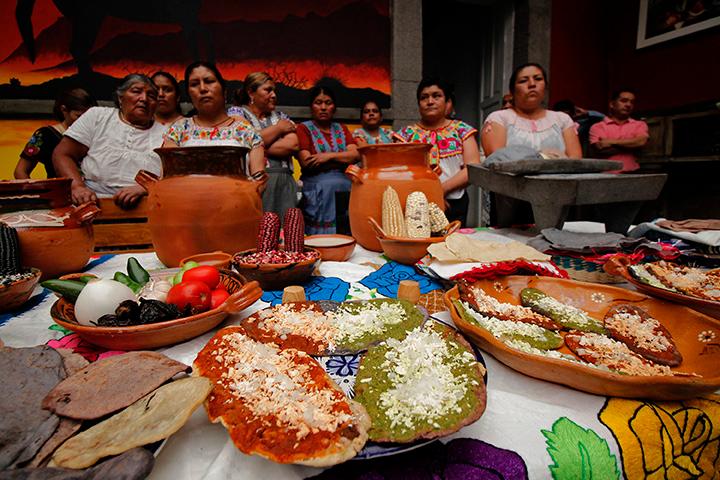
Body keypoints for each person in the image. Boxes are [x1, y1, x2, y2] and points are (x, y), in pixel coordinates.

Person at [53, 74, 165, 208]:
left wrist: (146, 187)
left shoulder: (166, 134)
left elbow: (175, 176)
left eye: (152, 96)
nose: (144, 99)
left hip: (146, 205)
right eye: (136, 91)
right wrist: (77, 187)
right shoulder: (97, 116)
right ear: (120, 97)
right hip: (91, 202)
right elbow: (62, 154)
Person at [394, 78, 481, 225]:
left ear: (447, 101)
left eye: (436, 96)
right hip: (415, 205)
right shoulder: (405, 136)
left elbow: (472, 169)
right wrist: (430, 195)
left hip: (455, 203)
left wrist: (441, 190)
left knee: (453, 245)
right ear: (418, 104)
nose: (430, 101)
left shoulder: (462, 131)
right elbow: (399, 173)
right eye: (424, 97)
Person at [162, 62, 264, 177]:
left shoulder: (245, 131)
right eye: (194, 84)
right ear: (189, 95)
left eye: (209, 81)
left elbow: (259, 182)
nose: (202, 88)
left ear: (224, 91)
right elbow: (168, 178)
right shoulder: (178, 130)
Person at [230, 72, 298, 220]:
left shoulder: (281, 117)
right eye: (268, 90)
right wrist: (279, 129)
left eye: (274, 91)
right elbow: (243, 141)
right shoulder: (237, 113)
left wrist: (255, 144)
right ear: (251, 92)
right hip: (256, 183)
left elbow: (292, 145)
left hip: (285, 183)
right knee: (259, 232)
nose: (274, 95)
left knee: (287, 232)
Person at [482, 63, 582, 159]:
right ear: (512, 91)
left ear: (546, 87)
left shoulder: (562, 119)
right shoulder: (499, 119)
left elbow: (575, 161)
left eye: (538, 79)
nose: (532, 84)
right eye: (523, 81)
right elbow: (498, 162)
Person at [296, 85, 360, 234]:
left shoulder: (341, 128)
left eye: (328, 103)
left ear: (334, 107)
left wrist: (327, 156)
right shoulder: (303, 129)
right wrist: (342, 158)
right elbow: (307, 161)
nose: (323, 107)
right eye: (318, 102)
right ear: (311, 106)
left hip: (346, 189)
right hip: (318, 189)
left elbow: (355, 154)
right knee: (321, 238)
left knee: (347, 233)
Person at [14, 88, 96, 179]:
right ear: (64, 110)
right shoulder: (44, 135)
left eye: (88, 117)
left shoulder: (96, 134)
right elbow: (20, 171)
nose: (85, 121)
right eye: (79, 116)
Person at [589, 89, 649, 172]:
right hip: (605, 175)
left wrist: (611, 142)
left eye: (632, 102)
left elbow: (641, 142)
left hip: (632, 174)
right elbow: (601, 150)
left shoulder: (640, 124)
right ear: (612, 104)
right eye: (624, 101)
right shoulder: (597, 127)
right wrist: (632, 146)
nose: (628, 104)